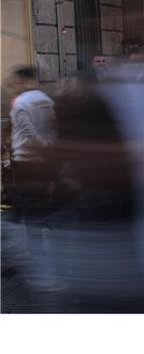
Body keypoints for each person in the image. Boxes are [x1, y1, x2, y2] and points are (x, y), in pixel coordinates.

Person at [7, 66, 58, 290]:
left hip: (26, 162)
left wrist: (41, 148)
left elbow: (29, 134)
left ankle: (37, 258)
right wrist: (49, 151)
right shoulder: (46, 99)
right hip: (44, 161)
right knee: (39, 206)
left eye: (15, 80)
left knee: (30, 211)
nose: (13, 84)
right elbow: (54, 129)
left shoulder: (20, 103)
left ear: (22, 79)